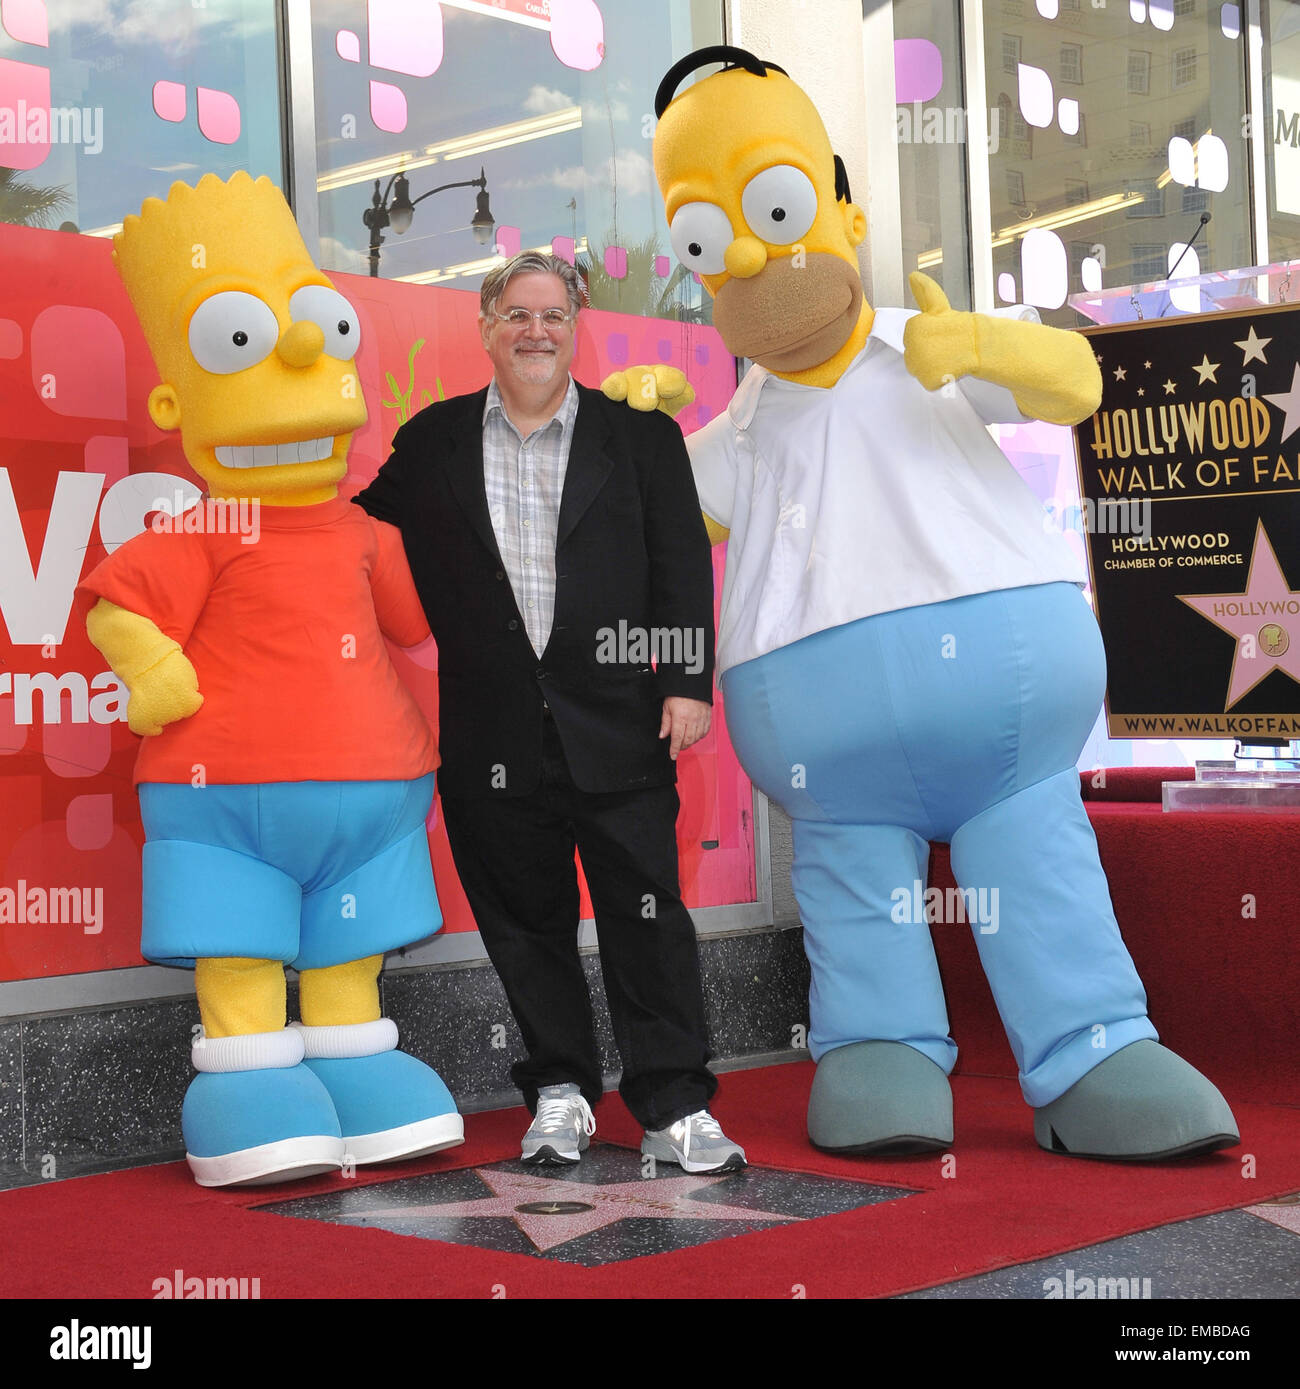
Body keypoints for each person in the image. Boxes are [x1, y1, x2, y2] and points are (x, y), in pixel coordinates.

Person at [354, 252, 745, 1174]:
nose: (537, 331)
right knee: (525, 922)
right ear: (485, 326)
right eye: (517, 315)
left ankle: (675, 1102)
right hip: (492, 736)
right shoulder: (434, 443)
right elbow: (357, 538)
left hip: (622, 725)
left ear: (578, 327)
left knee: (646, 915)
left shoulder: (638, 438)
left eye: (554, 316)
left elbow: (682, 561)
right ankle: (560, 1092)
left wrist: (687, 681)